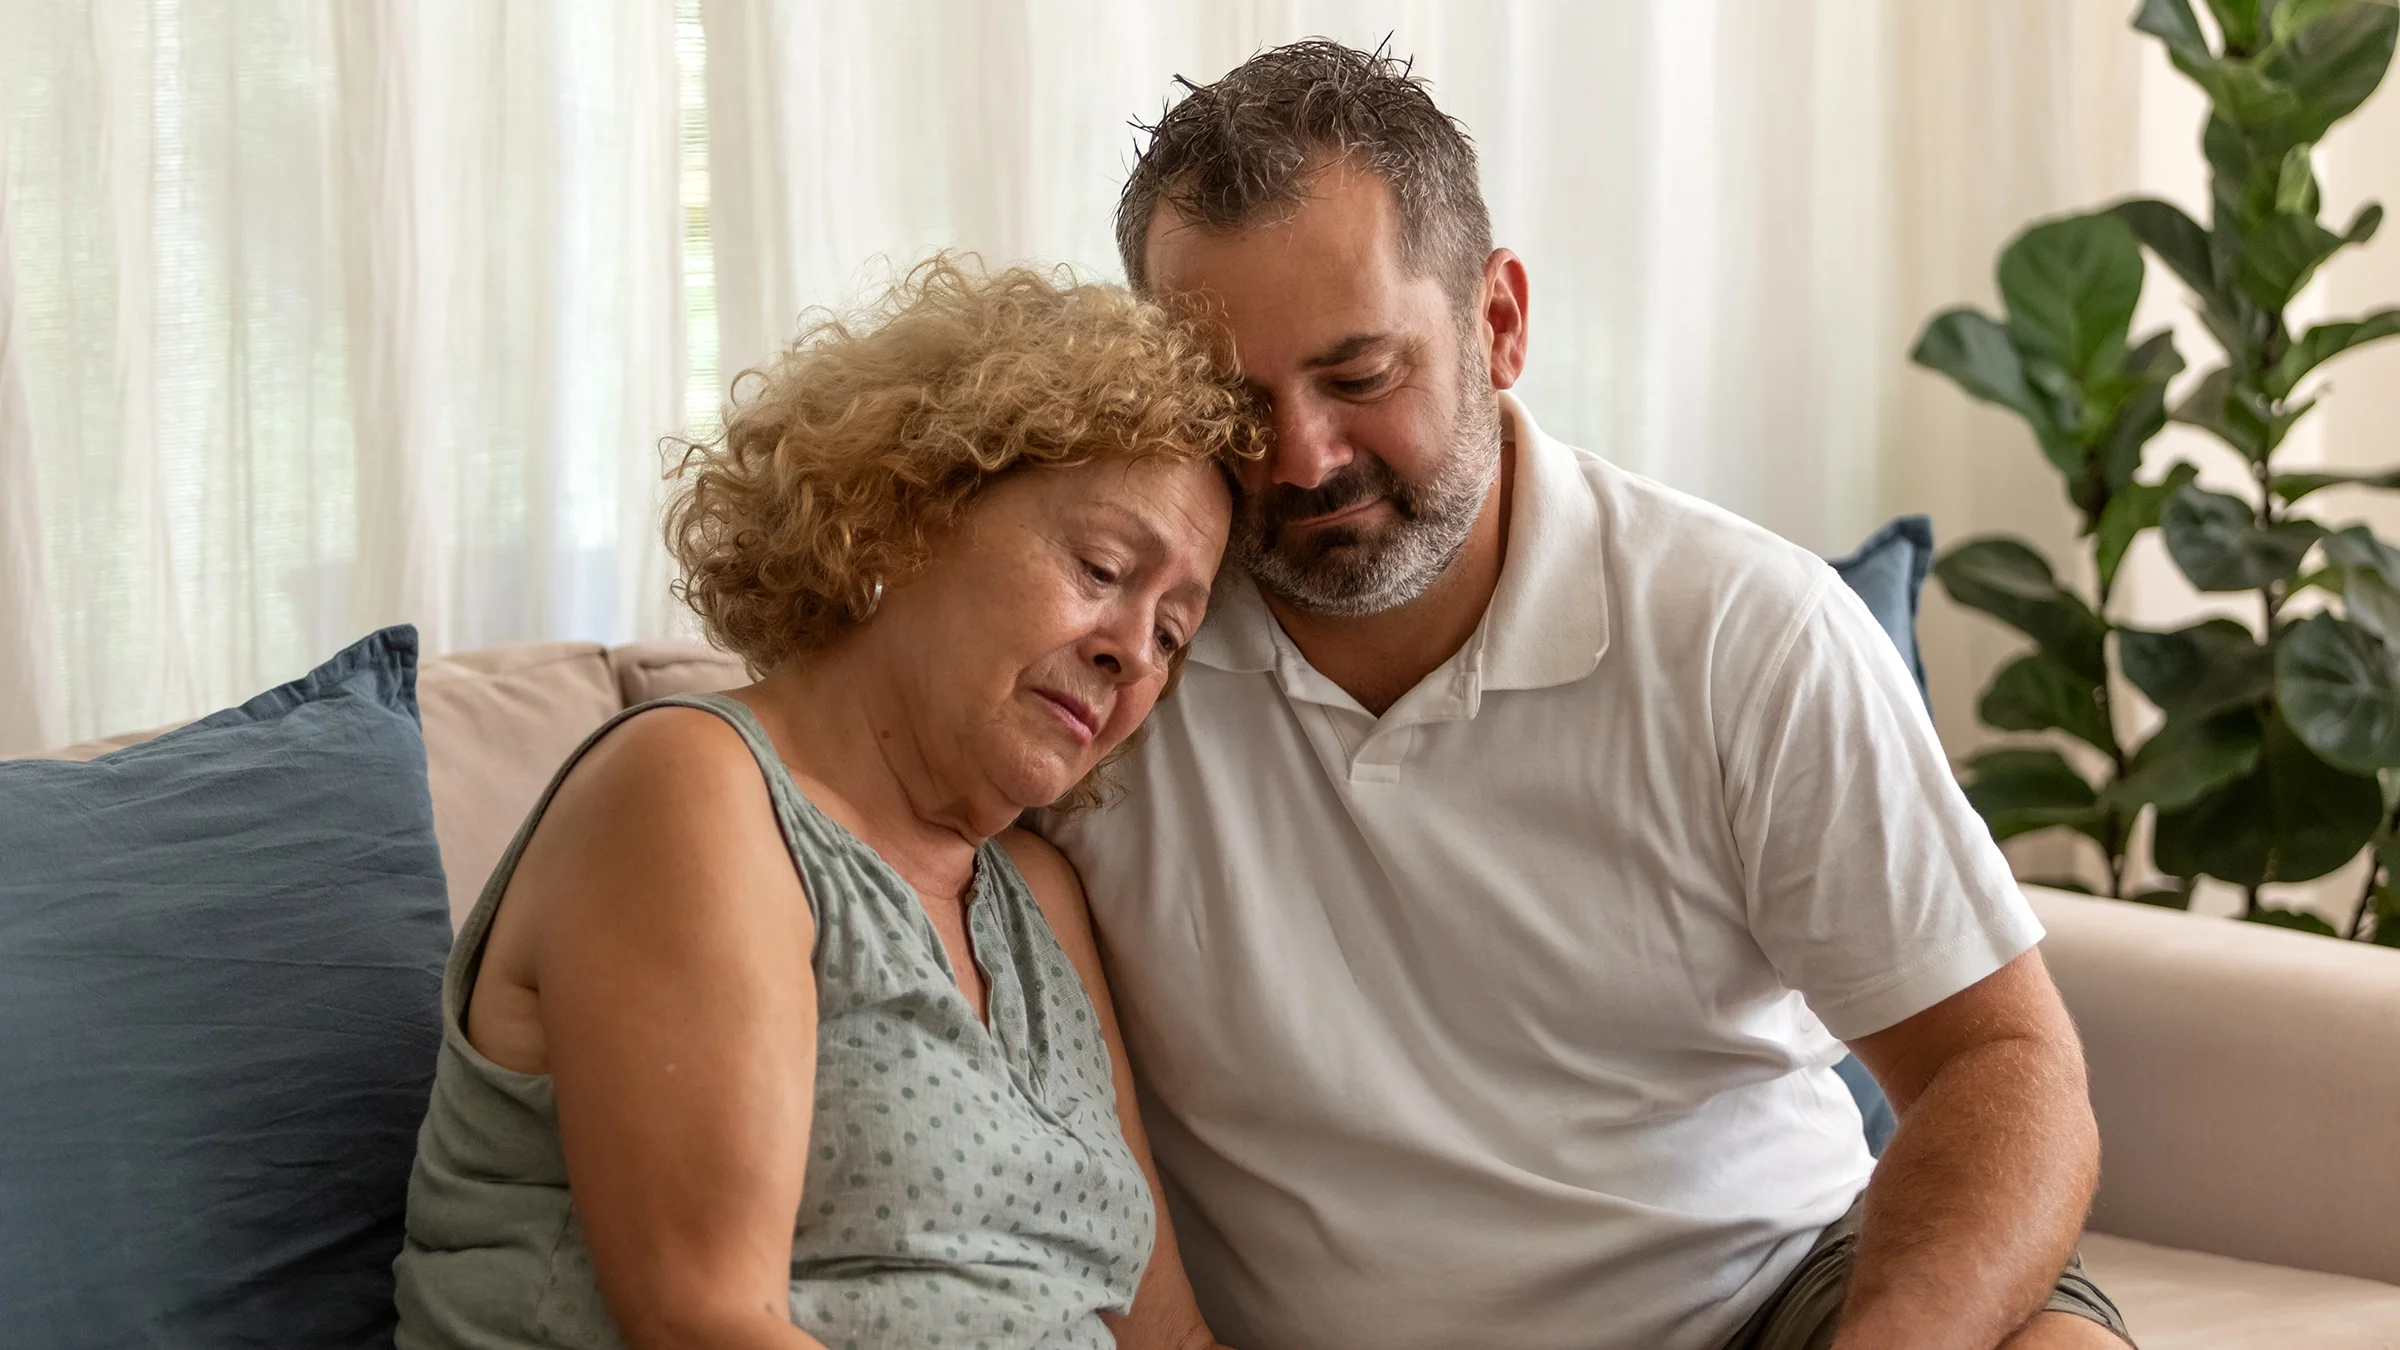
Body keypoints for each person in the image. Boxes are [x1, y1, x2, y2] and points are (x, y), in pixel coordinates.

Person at [1034, 41, 2133, 1350]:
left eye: (1361, 375)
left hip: (1775, 1300)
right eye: (1232, 400)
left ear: (1497, 322)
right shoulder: (1100, 658)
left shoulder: (1744, 630)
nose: (1303, 455)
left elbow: (2002, 1064)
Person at [393, 259, 1257, 1350]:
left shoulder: (1037, 900)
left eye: (1172, 633)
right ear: (911, 513)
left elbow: (1168, 1342)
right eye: (1100, 567)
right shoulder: (698, 792)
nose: (1130, 650)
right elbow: (706, 1322)